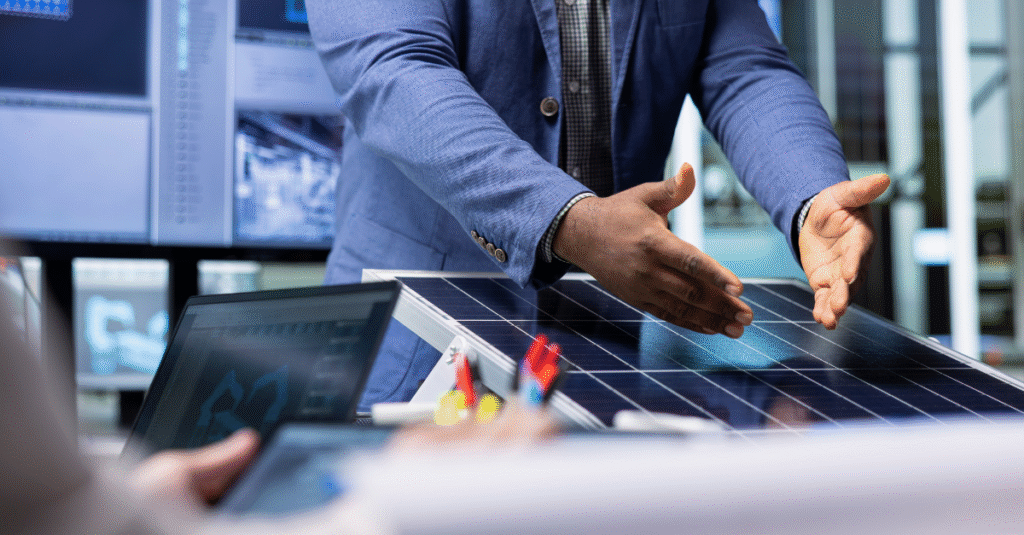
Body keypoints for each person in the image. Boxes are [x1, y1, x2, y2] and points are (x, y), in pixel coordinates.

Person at [305, 0, 891, 407]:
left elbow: (745, 70)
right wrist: (568, 221)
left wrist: (809, 193)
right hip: (420, 340)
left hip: (602, 351)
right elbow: (394, 69)